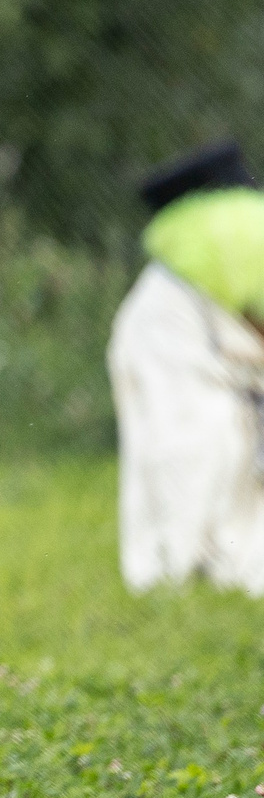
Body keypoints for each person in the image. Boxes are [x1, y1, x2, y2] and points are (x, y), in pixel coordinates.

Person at [109, 139, 264, 595]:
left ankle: (203, 571)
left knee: (216, 448)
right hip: (171, 347)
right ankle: (174, 572)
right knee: (199, 447)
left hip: (175, 343)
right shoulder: (236, 235)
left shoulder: (229, 232)